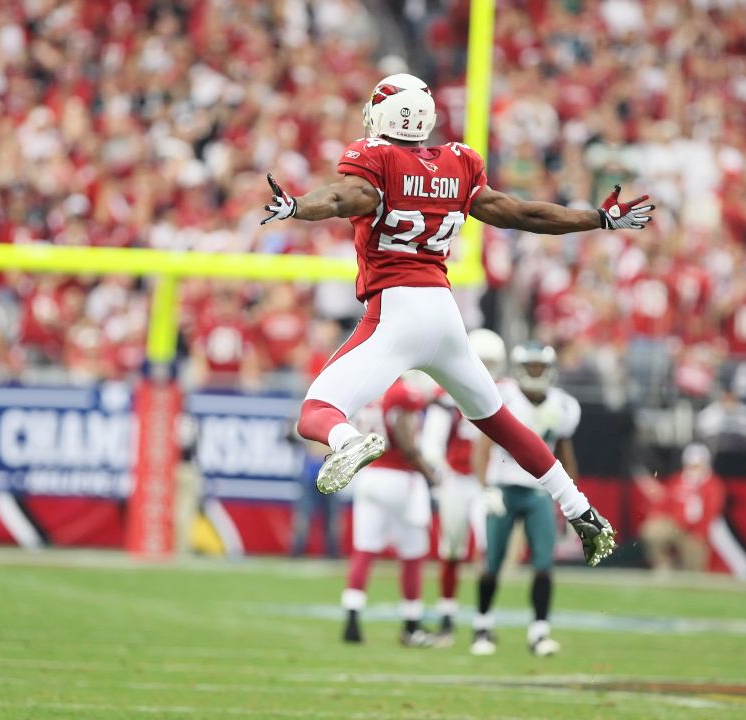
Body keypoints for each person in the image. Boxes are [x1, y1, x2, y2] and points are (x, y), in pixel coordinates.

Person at [261, 73, 653, 566]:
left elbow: (344, 198)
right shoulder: (459, 162)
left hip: (396, 310)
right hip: (445, 314)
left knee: (316, 413)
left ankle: (348, 441)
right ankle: (579, 508)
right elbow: (522, 214)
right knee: (500, 422)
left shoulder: (374, 158)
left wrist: (298, 207)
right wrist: (598, 218)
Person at [469, 342, 581, 657]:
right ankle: (482, 626)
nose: (535, 373)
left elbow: (565, 454)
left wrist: (573, 503)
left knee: (544, 562)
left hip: (539, 492)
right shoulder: (504, 396)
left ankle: (540, 632)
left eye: (539, 367)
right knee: (492, 562)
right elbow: (483, 447)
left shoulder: (563, 405)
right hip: (503, 488)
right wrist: (485, 487)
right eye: (530, 367)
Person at [340, 373, 440, 647]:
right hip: (398, 476)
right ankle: (411, 625)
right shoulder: (402, 393)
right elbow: (406, 443)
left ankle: (351, 618)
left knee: (364, 550)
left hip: (369, 475)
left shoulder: (367, 389)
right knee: (412, 553)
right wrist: (430, 476)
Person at [420, 328, 503, 645]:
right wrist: (442, 478)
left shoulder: (504, 394)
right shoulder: (449, 396)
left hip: (486, 483)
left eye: (492, 362)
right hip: (456, 479)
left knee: (488, 551)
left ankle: (483, 622)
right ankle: (446, 617)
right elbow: (432, 444)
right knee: (451, 550)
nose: (487, 369)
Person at [637, 443, 726, 573]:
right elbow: (663, 504)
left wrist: (699, 534)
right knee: (652, 530)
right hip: (675, 526)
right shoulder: (677, 480)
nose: (694, 469)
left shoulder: (713, 485)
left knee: (693, 570)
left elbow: (711, 514)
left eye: (698, 465)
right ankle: (663, 566)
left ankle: (681, 572)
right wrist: (655, 514)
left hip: (696, 533)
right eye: (691, 464)